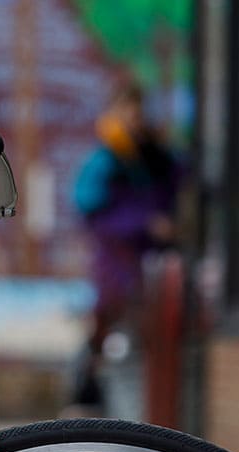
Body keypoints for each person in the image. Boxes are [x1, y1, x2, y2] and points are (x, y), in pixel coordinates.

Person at [71, 80, 182, 414]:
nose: (135, 118)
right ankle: (82, 407)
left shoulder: (150, 158)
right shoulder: (107, 161)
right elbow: (92, 209)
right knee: (105, 340)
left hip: (146, 268)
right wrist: (144, 222)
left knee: (132, 344)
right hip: (118, 269)